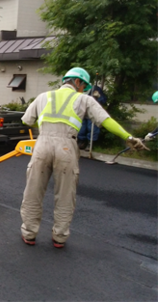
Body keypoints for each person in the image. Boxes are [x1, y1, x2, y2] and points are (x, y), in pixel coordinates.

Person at [20, 67, 147, 248]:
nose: (83, 89)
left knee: (33, 192)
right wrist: (128, 137)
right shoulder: (84, 99)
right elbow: (105, 120)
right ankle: (59, 237)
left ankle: (29, 234)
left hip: (42, 145)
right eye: (84, 85)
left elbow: (26, 120)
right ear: (78, 82)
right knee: (65, 195)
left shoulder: (43, 97)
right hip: (66, 146)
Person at [77, 85, 107, 150]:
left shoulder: (94, 89)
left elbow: (103, 100)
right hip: (82, 113)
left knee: (92, 128)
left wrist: (98, 97)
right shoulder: (78, 89)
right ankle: (81, 142)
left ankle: (90, 143)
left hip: (91, 112)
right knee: (81, 128)